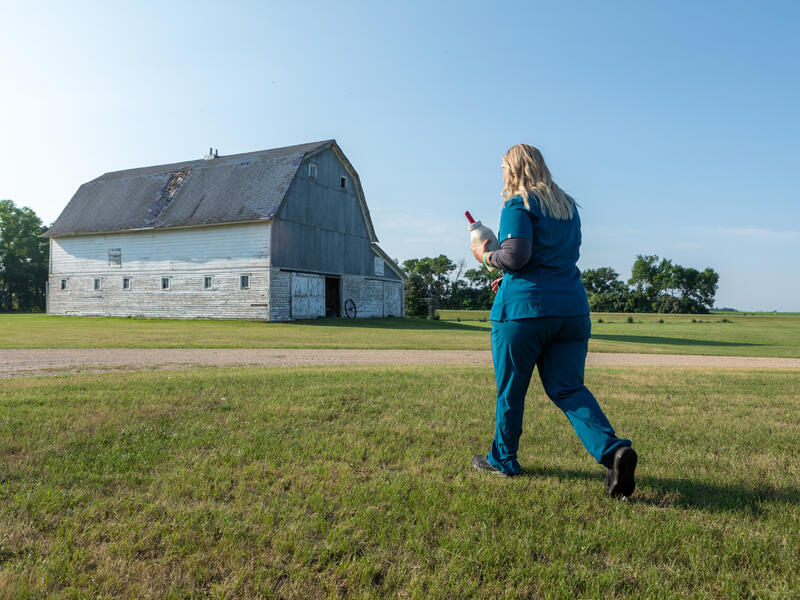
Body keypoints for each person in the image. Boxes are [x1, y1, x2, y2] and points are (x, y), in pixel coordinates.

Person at [470, 144, 637, 498]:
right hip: (571, 309)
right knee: (569, 388)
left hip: (524, 312)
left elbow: (516, 255)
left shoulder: (518, 204)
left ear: (513, 170)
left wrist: (486, 256)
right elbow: (551, 259)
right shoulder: (566, 207)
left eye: (504, 169)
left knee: (511, 388)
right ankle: (614, 453)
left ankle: (503, 459)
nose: (503, 176)